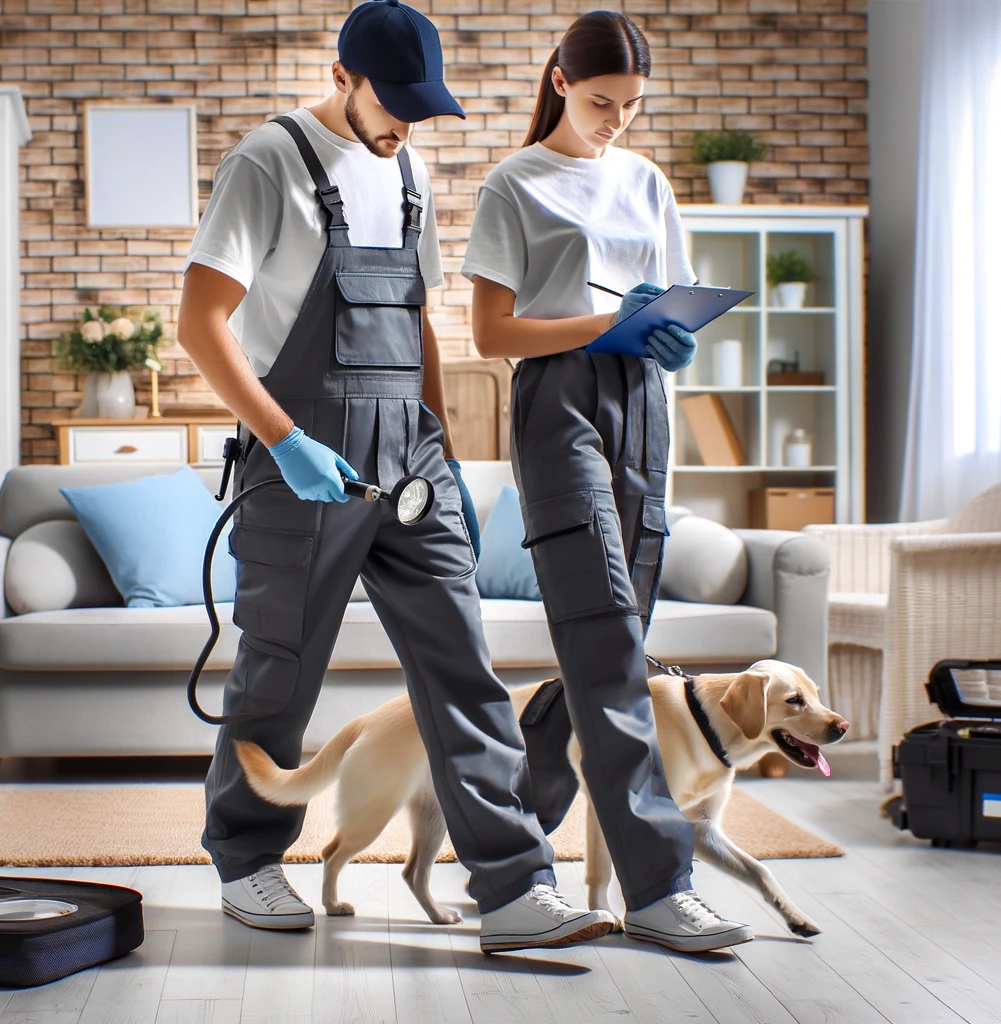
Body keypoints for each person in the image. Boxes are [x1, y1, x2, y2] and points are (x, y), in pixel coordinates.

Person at [178, 0, 613, 954]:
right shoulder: (268, 162)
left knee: (464, 670)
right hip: (302, 461)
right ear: (342, 78)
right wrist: (285, 440)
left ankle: (513, 887)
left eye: (421, 108)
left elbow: (415, 318)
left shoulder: (408, 168)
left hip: (410, 461)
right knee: (278, 673)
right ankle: (248, 862)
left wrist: (442, 448)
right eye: (392, 105)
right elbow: (202, 325)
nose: (405, 127)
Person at [460, 9, 754, 953]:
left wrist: (672, 339)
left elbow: (675, 299)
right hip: (558, 407)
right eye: (600, 102)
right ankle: (661, 888)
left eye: (631, 106)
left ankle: (513, 847)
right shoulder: (515, 183)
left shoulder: (646, 180)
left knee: (611, 643)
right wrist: (597, 325)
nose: (615, 120)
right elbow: (492, 336)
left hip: (643, 403)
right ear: (557, 81)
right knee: (607, 646)